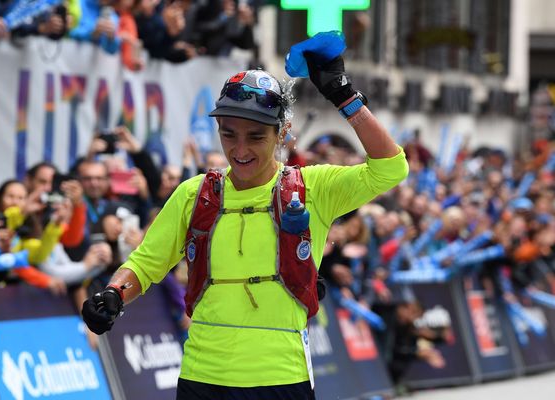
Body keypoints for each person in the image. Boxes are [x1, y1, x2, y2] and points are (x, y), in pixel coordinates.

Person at [82, 52, 408, 399]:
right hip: (202, 376)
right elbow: (146, 263)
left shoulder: (314, 188)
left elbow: (390, 168)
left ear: (282, 132)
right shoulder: (194, 194)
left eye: (255, 136)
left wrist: (345, 98)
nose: (239, 149)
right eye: (229, 134)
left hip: (280, 377)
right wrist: (114, 294)